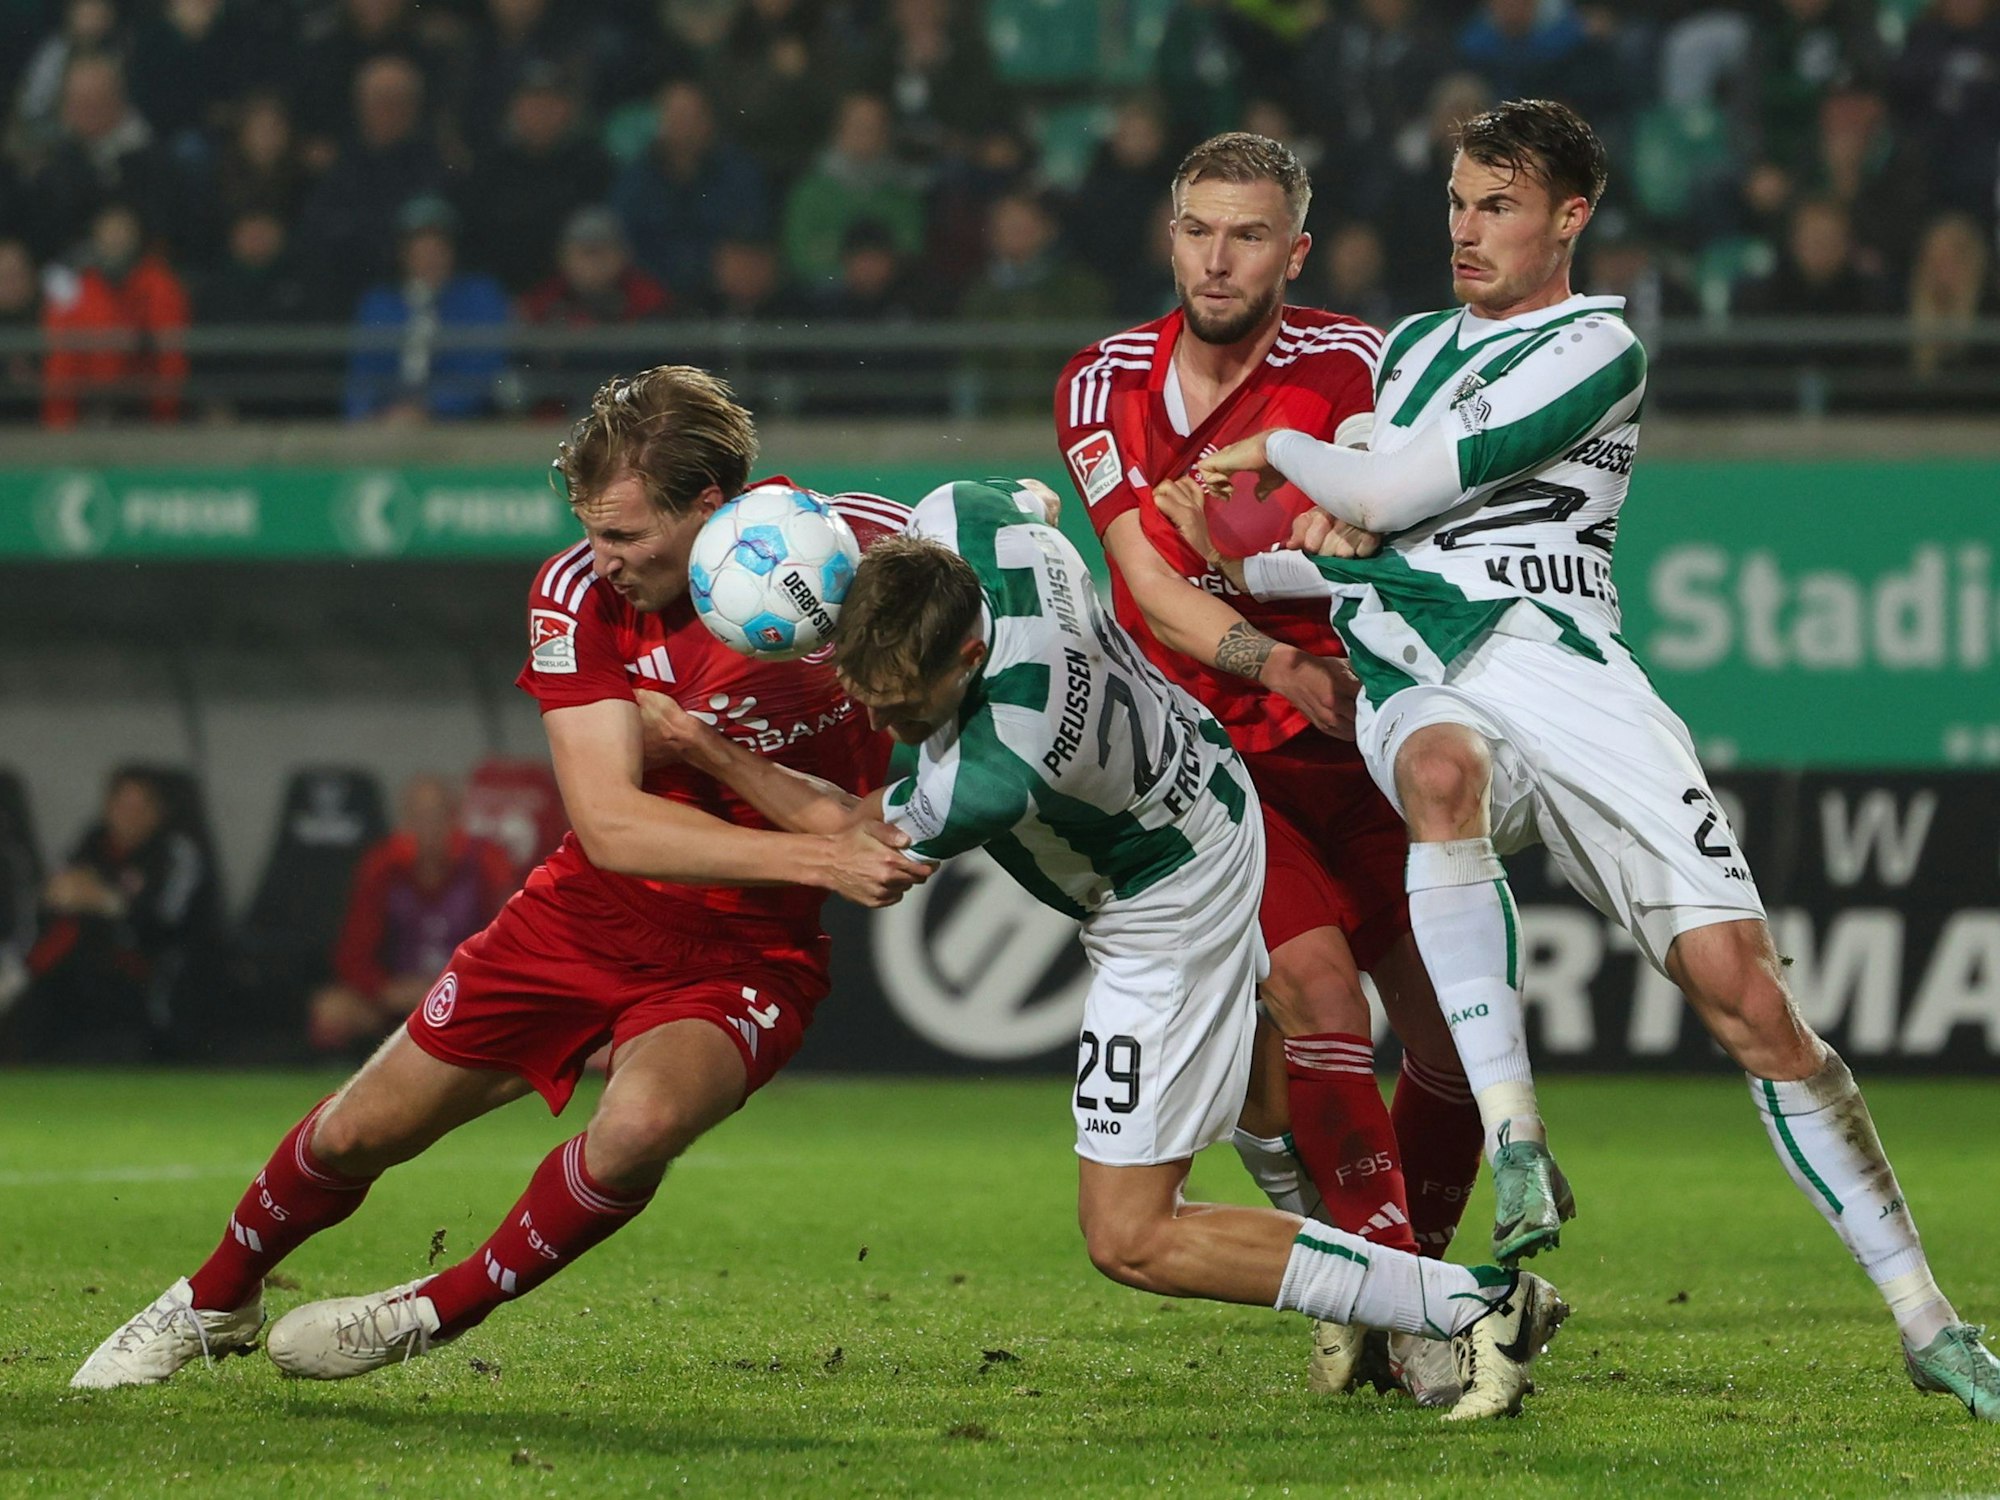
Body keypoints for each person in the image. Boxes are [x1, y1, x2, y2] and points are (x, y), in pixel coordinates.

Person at [1162, 97, 2000, 1421]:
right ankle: (1518, 1140)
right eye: (1454, 203)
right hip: (1423, 669)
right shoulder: (1411, 351)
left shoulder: (1598, 344)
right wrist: (1229, 533)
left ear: (1570, 217)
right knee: (1439, 774)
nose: (1467, 231)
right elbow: (1326, 537)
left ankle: (1926, 1318)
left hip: (1572, 675)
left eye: (1498, 206)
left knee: (1753, 1003)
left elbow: (1378, 497)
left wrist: (1271, 457)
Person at [71, 365, 928, 1390]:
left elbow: (985, 560)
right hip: (585, 915)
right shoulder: (578, 596)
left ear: (711, 508)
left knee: (641, 1127)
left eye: (623, 535)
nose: (598, 558)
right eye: (591, 531)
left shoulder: (867, 550)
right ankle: (214, 1297)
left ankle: (432, 1309)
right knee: (356, 1132)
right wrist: (819, 852)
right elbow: (610, 824)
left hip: (750, 947)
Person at [645, 476, 1569, 1423]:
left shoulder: (1000, 766)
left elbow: (849, 833)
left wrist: (701, 747)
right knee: (1256, 1089)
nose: (886, 730)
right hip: (1203, 775)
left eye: (908, 711)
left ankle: (1465, 1304)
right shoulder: (972, 520)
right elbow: (1037, 501)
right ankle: (1372, 1289)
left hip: (1165, 905)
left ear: (969, 655)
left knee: (1131, 1236)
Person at [1052, 131, 1481, 1404]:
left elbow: (1389, 542)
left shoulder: (1357, 366)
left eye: (1247, 235)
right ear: (1168, 235)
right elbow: (1140, 580)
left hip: (1360, 740)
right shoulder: (1101, 382)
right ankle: (1415, 1314)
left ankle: (1392, 1287)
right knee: (1312, 995)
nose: (1217, 258)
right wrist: (1265, 654)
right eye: (1197, 229)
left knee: (1451, 1039)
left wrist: (1269, 564)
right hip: (1205, 761)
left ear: (1292, 251)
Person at [6, 767, 220, 1063]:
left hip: (152, 970)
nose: (129, 814)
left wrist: (107, 902)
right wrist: (73, 895)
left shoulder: (174, 851)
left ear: (159, 812)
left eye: (140, 806)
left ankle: (19, 978)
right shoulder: (93, 842)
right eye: (122, 804)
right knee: (67, 938)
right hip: (86, 970)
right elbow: (58, 892)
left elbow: (165, 921)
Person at [307, 775, 516, 1056]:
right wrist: (385, 989)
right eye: (418, 818)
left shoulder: (487, 863)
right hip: (395, 996)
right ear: (405, 823)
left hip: (467, 997)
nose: (427, 828)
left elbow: (509, 944)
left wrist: (456, 988)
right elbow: (353, 952)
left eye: (436, 817)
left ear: (454, 819)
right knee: (330, 1011)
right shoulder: (382, 866)